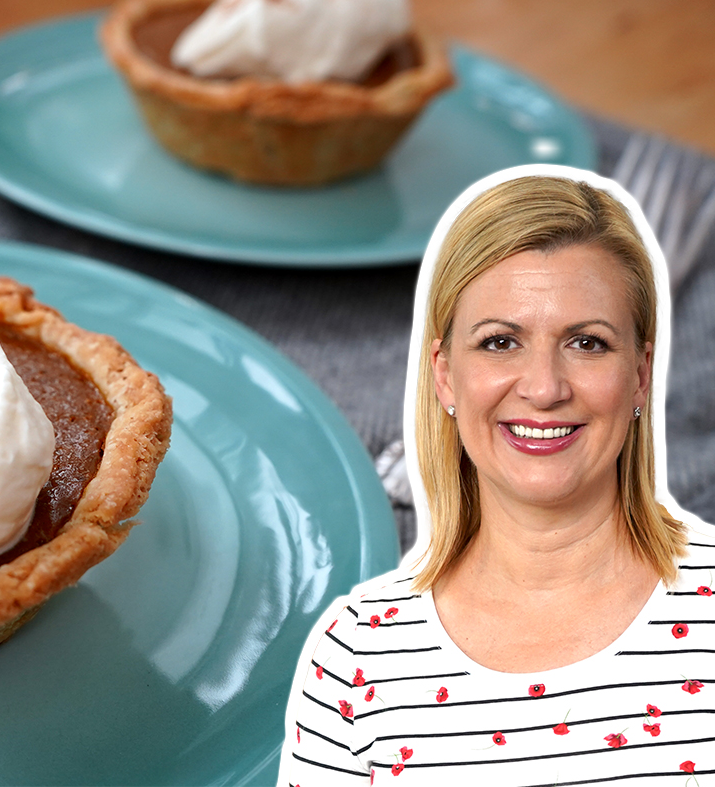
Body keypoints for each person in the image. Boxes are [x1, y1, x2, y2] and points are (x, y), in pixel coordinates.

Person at [279, 165, 714, 785]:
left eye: (587, 343)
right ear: (445, 374)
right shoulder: (358, 656)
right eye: (500, 343)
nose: (544, 388)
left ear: (641, 373)